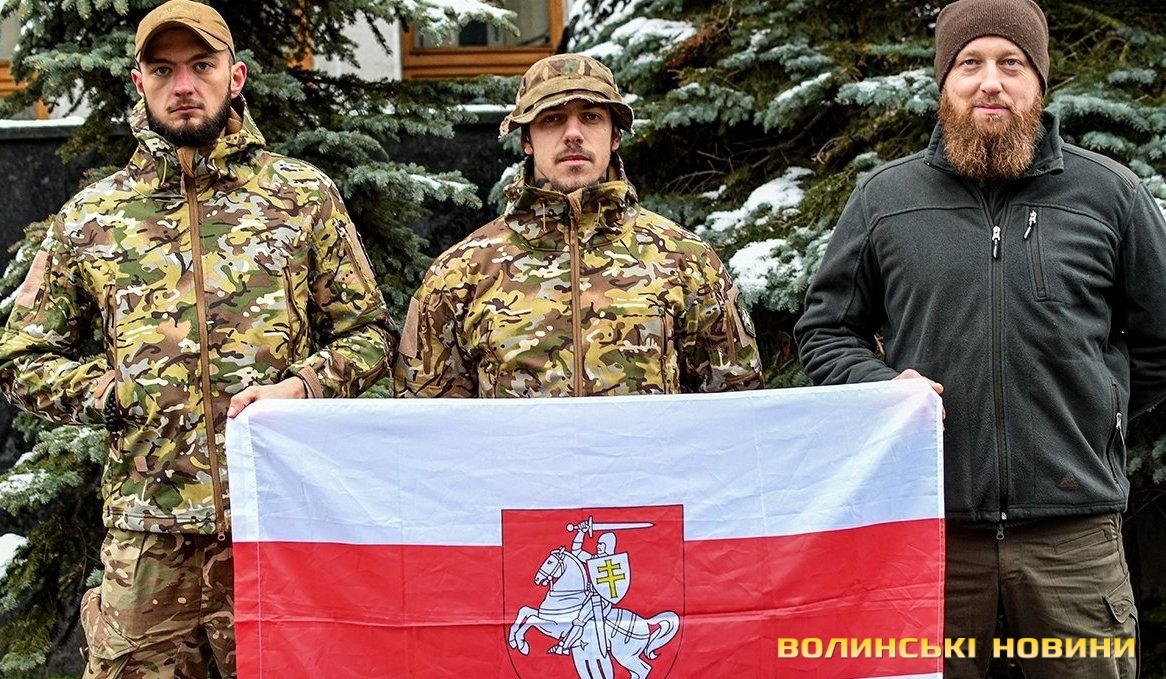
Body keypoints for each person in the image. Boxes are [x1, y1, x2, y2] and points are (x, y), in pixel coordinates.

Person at [0, 1, 397, 676]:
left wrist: (302, 387)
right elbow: (20, 357)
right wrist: (107, 393)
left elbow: (371, 333)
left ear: (234, 77)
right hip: (148, 540)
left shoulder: (301, 197)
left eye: (202, 66)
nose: (184, 85)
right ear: (140, 84)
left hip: (275, 525)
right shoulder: (94, 216)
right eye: (164, 70)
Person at [794, 0, 1166, 677]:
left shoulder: (1110, 195)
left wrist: (1098, 407)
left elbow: (1160, 338)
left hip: (1073, 539)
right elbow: (825, 331)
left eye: (1011, 64)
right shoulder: (885, 200)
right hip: (930, 531)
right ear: (944, 83)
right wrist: (883, 388)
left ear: (1039, 83)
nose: (990, 82)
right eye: (970, 64)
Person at [394, 53, 763, 398]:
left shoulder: (686, 261)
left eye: (591, 117)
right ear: (527, 140)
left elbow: (738, 407)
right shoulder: (461, 273)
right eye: (552, 118)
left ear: (615, 136)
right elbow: (425, 419)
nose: (573, 133)